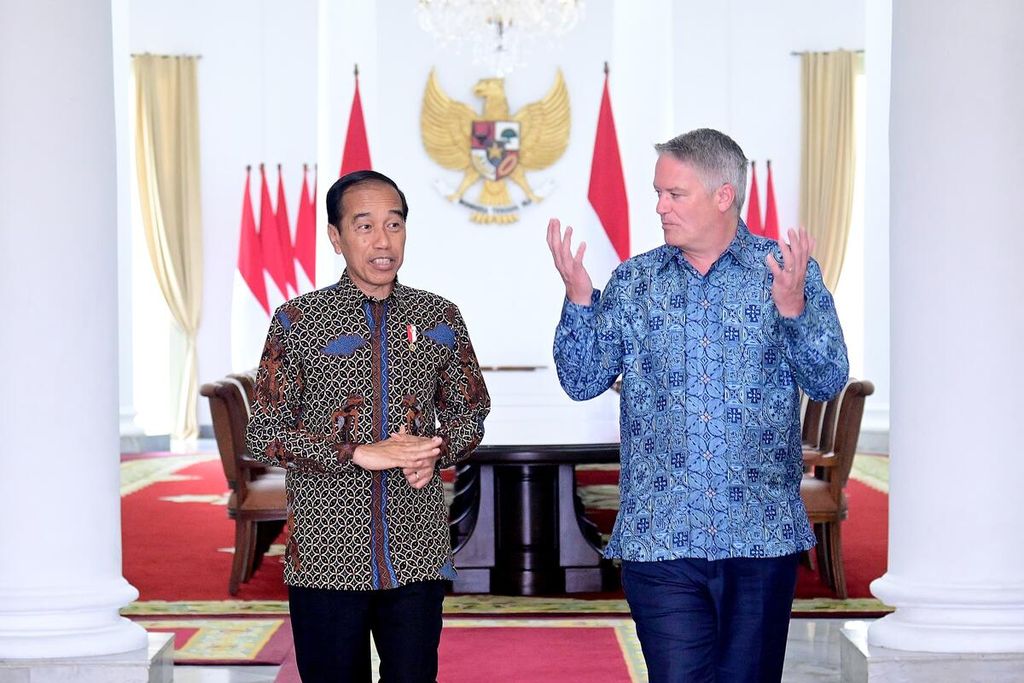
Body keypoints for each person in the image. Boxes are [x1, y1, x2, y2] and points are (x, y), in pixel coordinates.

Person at [547, 128, 848, 682]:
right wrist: (580, 300)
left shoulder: (783, 273)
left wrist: (794, 311)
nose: (659, 206)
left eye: (674, 194)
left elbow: (827, 379)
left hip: (760, 535)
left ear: (723, 196)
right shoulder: (635, 280)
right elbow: (582, 379)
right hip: (660, 538)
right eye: (657, 192)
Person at [247, 169, 491, 682]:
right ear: (336, 237)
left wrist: (434, 450)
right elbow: (263, 431)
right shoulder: (298, 322)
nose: (383, 241)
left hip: (416, 551)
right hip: (326, 554)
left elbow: (471, 413)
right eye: (364, 226)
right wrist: (356, 453)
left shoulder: (439, 316)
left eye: (394, 224)